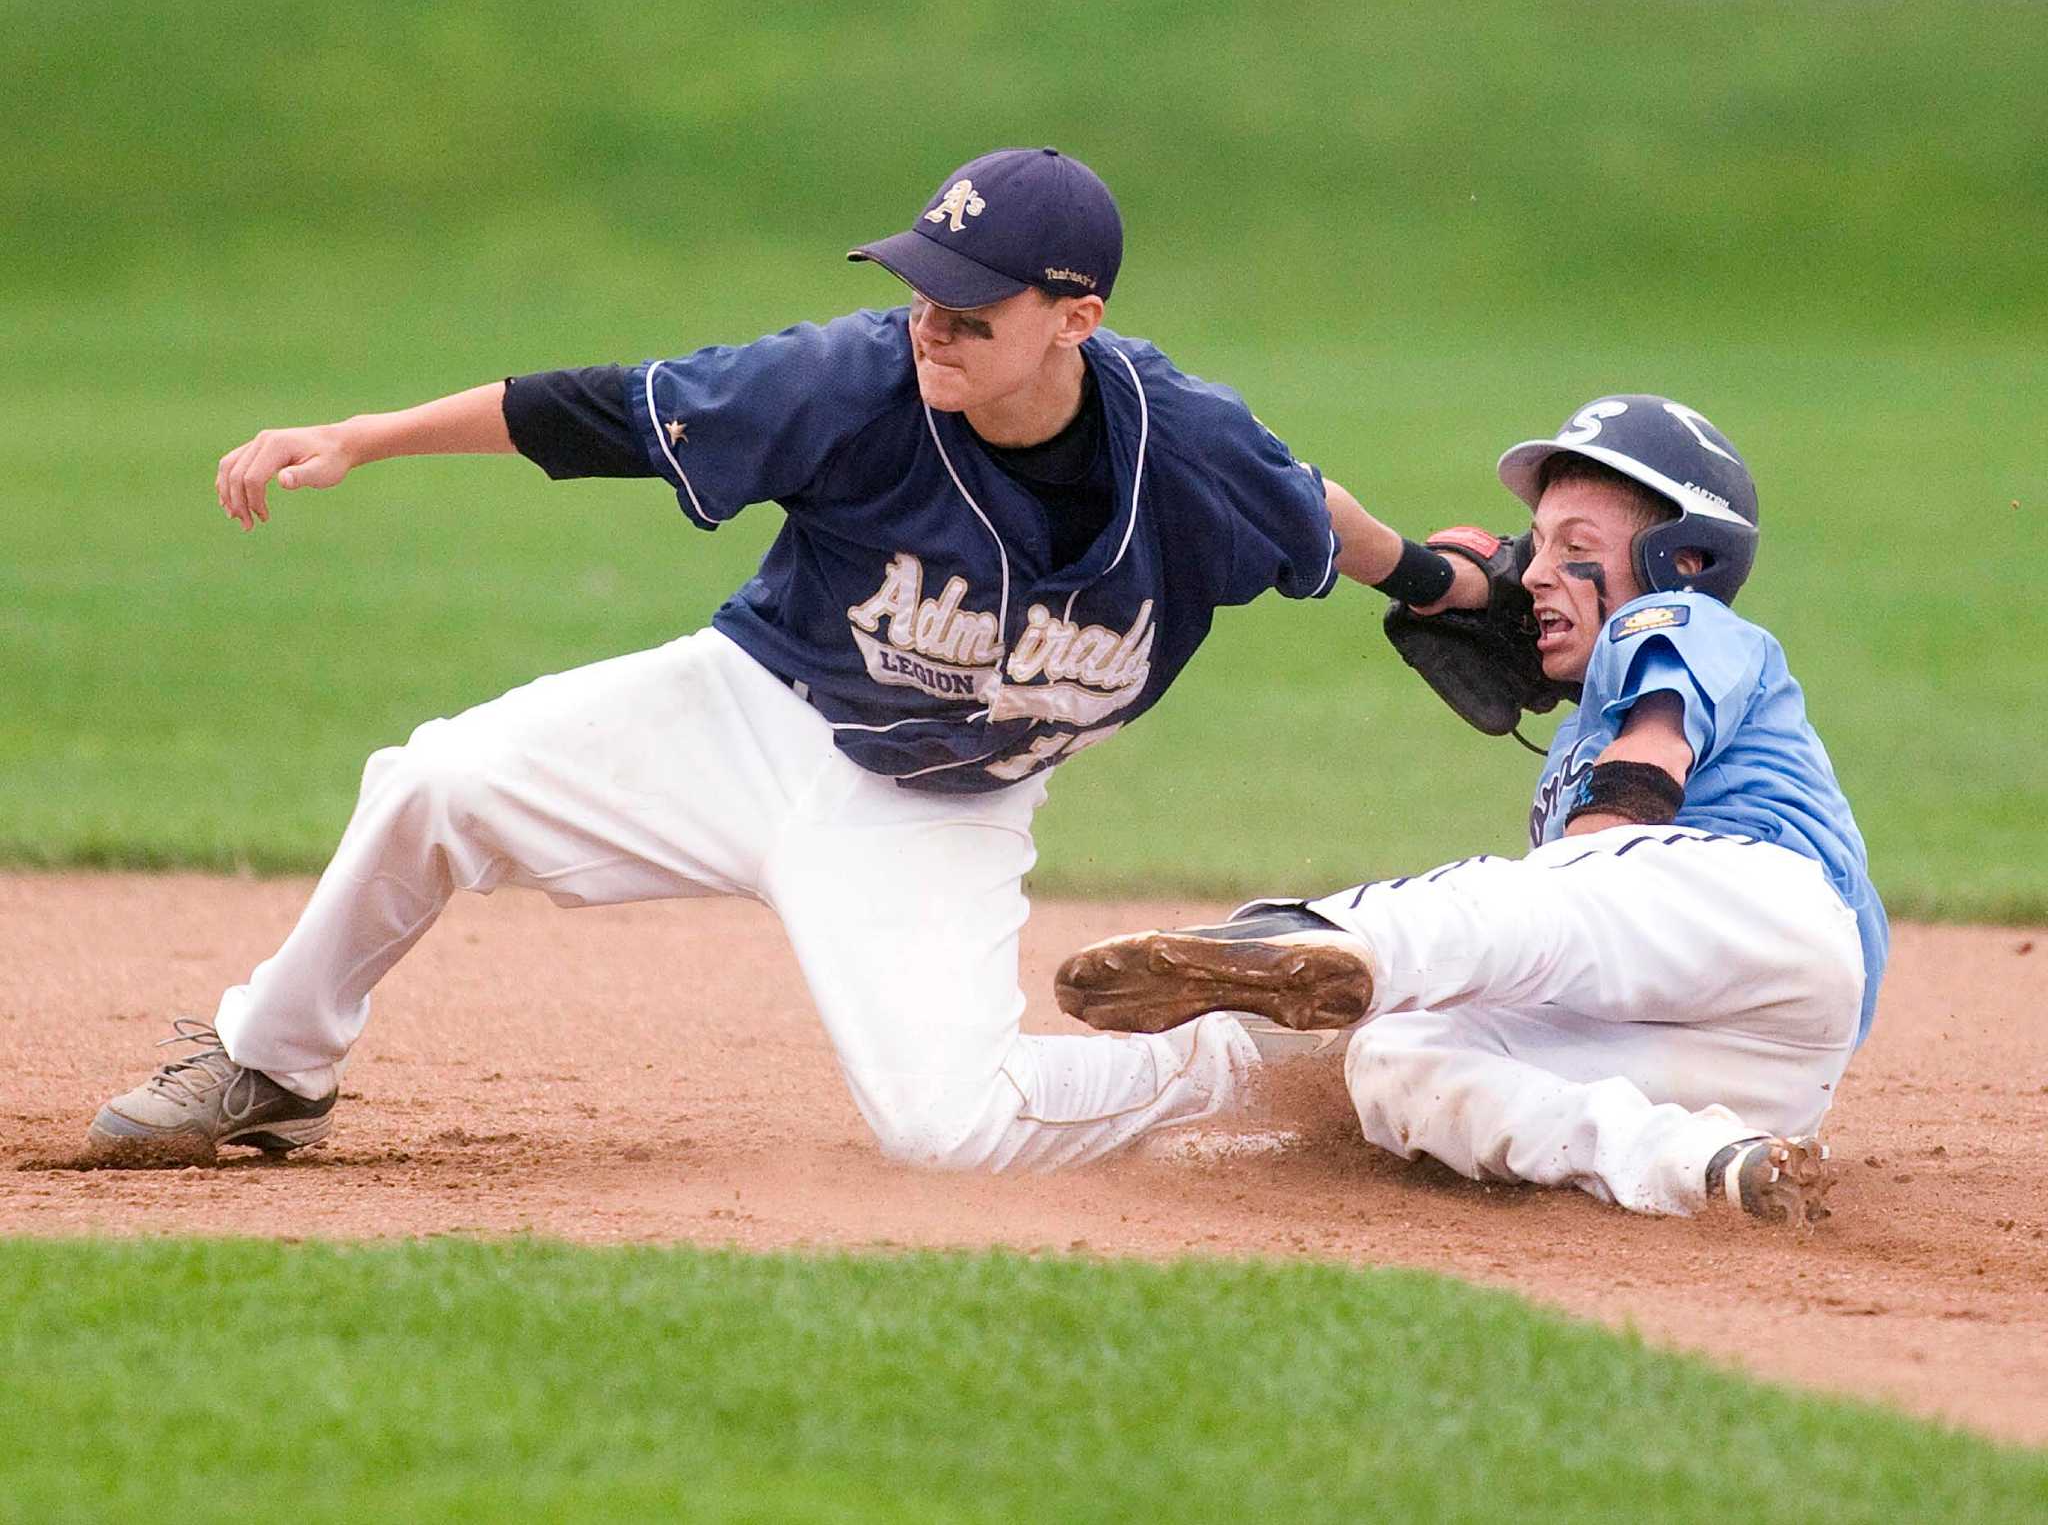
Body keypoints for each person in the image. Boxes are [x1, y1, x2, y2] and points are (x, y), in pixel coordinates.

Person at [89, 146, 1482, 1172]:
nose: (933, 319)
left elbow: (1317, 517)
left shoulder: (1189, 447)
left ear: (1078, 317)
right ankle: (271, 1062)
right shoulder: (850, 381)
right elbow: (603, 414)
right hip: (746, 715)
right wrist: (365, 435)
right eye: (925, 287)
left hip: (938, 807)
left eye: (975, 305)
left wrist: (1433, 583)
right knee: (434, 780)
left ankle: (1266, 1055)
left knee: (950, 1133)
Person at [1055, 396, 1888, 1222]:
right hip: (1764, 1067)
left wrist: (1556, 896)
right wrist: (1401, 565)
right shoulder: (1578, 741)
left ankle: (1325, 937)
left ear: (1685, 560)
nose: (1532, 573)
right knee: (1398, 1054)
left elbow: (1635, 791)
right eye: (1536, 547)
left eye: (1576, 548)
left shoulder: (1692, 625)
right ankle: (1706, 1168)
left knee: (1522, 907)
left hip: (1759, 913)